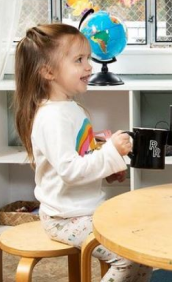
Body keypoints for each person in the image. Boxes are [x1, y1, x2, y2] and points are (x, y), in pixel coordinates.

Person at [14, 24, 151, 282]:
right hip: (66, 218)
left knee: (140, 242)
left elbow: (82, 157)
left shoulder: (69, 108)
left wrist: (108, 165)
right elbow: (70, 171)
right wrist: (111, 153)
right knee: (129, 256)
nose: (89, 66)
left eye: (87, 58)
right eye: (79, 60)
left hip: (84, 210)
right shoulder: (53, 117)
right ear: (48, 71)